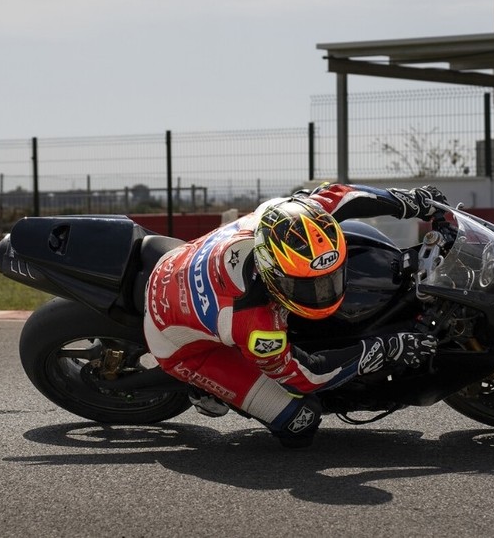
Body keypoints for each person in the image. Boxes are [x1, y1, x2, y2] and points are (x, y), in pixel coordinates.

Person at [143, 182, 446, 447]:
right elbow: (306, 375)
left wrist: (410, 201)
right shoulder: (254, 323)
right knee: (300, 420)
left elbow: (344, 195)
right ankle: (203, 389)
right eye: (305, 286)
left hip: (180, 261)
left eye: (329, 279)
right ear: (270, 272)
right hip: (179, 343)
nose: (322, 293)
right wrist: (385, 348)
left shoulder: (283, 214)